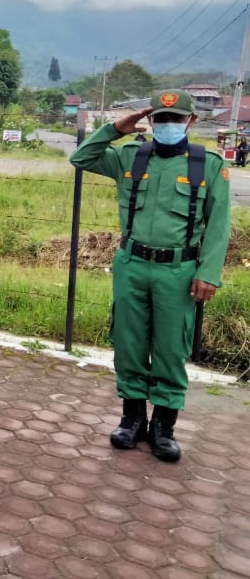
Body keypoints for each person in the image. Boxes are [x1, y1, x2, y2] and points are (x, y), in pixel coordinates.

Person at [70, 91, 230, 462]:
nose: (168, 125)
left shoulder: (207, 165)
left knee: (171, 347)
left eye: (176, 119)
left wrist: (209, 273)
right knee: (129, 342)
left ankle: (164, 427)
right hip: (132, 264)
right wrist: (115, 129)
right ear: (150, 119)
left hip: (179, 269)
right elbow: (81, 157)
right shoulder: (131, 157)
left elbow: (219, 224)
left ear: (191, 122)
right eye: (161, 118)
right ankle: (131, 419)